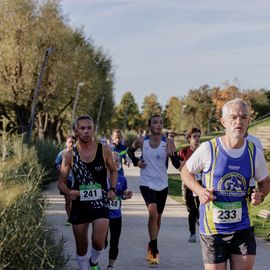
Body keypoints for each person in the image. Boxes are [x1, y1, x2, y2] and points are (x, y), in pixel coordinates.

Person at [181, 98, 270, 270]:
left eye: (244, 117)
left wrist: (260, 195)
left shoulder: (254, 152)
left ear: (248, 121)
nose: (239, 121)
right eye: (234, 117)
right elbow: (186, 172)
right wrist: (199, 190)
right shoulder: (209, 149)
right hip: (213, 230)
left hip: (242, 227)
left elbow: (265, 182)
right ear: (223, 122)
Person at [58, 115, 117, 270]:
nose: (86, 131)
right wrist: (68, 192)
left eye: (89, 128)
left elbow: (113, 170)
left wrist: (112, 189)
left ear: (93, 129)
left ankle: (94, 261)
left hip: (100, 201)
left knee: (99, 240)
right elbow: (61, 182)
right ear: (76, 130)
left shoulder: (104, 150)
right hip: (79, 204)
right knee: (82, 245)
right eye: (82, 128)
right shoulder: (69, 155)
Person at [127, 114, 181, 265]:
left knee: (158, 217)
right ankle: (155, 249)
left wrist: (172, 155)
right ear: (150, 126)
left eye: (161, 122)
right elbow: (129, 152)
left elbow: (176, 164)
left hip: (162, 184)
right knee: (152, 213)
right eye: (155, 122)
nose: (158, 125)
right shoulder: (141, 141)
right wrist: (137, 161)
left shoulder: (169, 142)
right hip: (146, 183)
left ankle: (151, 243)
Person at [106, 152, 133, 270]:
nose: (116, 162)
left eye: (118, 160)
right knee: (100, 242)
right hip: (102, 215)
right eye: (114, 160)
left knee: (114, 242)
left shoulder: (122, 179)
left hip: (116, 215)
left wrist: (126, 195)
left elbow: (122, 194)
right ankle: (102, 242)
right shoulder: (101, 177)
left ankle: (110, 266)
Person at [178, 127, 202, 242]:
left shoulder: (203, 150)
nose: (197, 139)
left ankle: (199, 231)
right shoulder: (183, 152)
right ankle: (192, 232)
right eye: (194, 136)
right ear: (189, 138)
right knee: (191, 209)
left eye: (198, 136)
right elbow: (177, 164)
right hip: (188, 184)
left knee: (201, 208)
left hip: (201, 184)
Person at [55, 134, 76, 225]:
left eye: (73, 142)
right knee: (68, 200)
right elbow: (56, 163)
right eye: (69, 142)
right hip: (66, 180)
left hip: (76, 180)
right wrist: (60, 167)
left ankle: (78, 217)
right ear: (66, 143)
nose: (71, 144)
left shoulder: (78, 153)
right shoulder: (62, 153)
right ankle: (70, 218)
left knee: (76, 200)